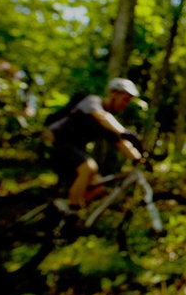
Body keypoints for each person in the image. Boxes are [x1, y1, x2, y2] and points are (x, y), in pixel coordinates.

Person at [47, 78, 143, 210]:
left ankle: (65, 210)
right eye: (125, 99)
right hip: (58, 144)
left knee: (99, 186)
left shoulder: (109, 123)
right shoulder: (93, 102)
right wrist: (125, 132)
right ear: (113, 93)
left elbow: (122, 144)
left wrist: (140, 157)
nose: (126, 104)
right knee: (89, 167)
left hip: (73, 152)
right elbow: (101, 116)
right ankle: (72, 213)